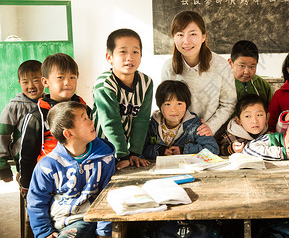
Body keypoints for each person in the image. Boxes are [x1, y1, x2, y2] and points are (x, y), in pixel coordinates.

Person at [27, 101, 115, 238]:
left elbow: (108, 196)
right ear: (69, 134)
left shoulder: (104, 157)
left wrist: (104, 232)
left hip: (84, 218)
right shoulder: (47, 166)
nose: (91, 122)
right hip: (56, 221)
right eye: (84, 119)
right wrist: (44, 232)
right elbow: (36, 201)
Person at [19, 53, 89, 194]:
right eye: (60, 77)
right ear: (45, 82)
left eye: (72, 77)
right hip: (50, 178)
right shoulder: (37, 116)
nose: (67, 82)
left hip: (84, 174)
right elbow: (27, 155)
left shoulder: (85, 109)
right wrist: (27, 186)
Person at [161, 11, 236, 137]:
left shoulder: (221, 65)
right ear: (173, 37)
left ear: (203, 36)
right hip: (179, 135)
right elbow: (166, 104)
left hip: (212, 134)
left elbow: (229, 103)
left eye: (193, 34)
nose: (186, 41)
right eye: (180, 34)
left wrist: (210, 127)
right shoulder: (169, 68)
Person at [92, 28, 153, 170]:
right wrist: (122, 155)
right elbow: (110, 122)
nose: (129, 57)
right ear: (109, 57)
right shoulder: (105, 84)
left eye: (135, 52)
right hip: (100, 147)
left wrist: (134, 153)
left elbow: (142, 120)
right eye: (123, 51)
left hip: (125, 150)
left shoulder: (146, 82)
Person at [141, 80, 219, 160]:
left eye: (179, 104)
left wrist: (183, 150)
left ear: (187, 104)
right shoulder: (152, 125)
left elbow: (212, 149)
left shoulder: (194, 125)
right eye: (168, 104)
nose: (174, 110)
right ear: (159, 105)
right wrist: (159, 151)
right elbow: (141, 149)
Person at [0, 60, 45, 182]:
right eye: (25, 82)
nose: (31, 86)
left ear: (44, 80)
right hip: (25, 161)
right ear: (20, 83)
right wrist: (2, 164)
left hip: (48, 158)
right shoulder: (14, 106)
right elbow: (2, 134)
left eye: (36, 80)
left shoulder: (49, 103)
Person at [228, 40, 272, 108]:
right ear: (230, 63)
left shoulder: (262, 85)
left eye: (252, 67)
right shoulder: (222, 84)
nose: (247, 72)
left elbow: (271, 111)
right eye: (242, 66)